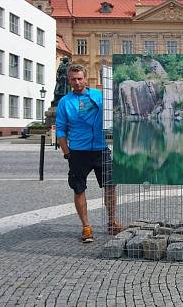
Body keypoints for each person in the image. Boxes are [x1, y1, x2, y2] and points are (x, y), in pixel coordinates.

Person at [56, 64, 122, 243]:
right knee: (79, 189)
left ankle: (111, 222)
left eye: (79, 78)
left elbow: (113, 113)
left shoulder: (98, 96)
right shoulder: (65, 102)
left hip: (100, 149)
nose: (77, 82)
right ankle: (86, 227)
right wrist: (67, 152)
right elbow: (60, 131)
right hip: (78, 152)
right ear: (69, 80)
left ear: (86, 78)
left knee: (111, 186)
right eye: (73, 79)